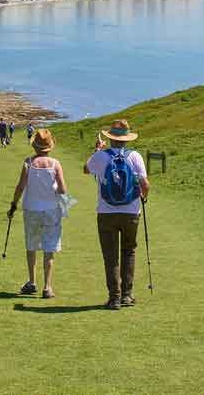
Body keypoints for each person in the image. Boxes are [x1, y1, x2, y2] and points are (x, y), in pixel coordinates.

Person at [84, 118, 150, 310]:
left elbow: (86, 169)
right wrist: (143, 197)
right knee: (129, 251)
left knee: (110, 256)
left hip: (106, 212)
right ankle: (127, 295)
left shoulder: (101, 156)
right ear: (127, 139)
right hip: (131, 211)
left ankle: (114, 298)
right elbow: (145, 184)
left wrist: (97, 151)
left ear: (110, 138)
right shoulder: (135, 156)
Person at [8, 129, 67, 299]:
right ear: (49, 147)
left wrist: (13, 204)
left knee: (31, 245)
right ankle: (47, 287)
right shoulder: (55, 164)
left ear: (35, 146)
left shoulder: (28, 163)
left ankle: (32, 282)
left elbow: (20, 187)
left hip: (31, 209)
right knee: (49, 248)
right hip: (51, 210)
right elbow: (63, 189)